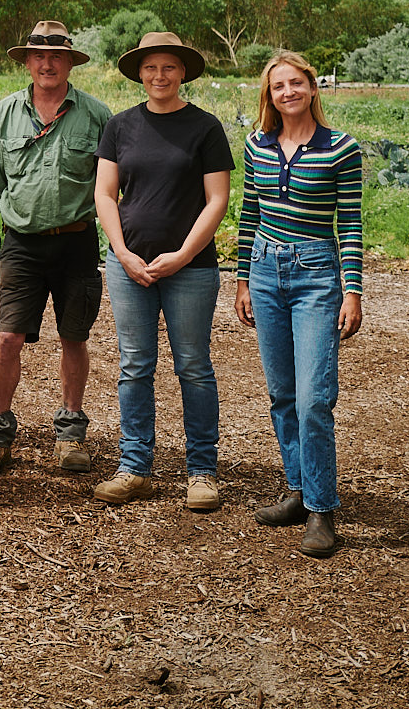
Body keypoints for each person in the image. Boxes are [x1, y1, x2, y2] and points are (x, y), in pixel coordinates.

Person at [92, 32, 234, 510]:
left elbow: (217, 200)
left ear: (183, 73)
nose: (159, 76)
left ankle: (202, 472)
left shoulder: (205, 127)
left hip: (190, 270)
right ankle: (135, 467)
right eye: (151, 68)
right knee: (135, 366)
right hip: (128, 266)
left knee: (193, 367)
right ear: (139, 73)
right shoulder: (119, 126)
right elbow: (105, 195)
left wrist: (184, 255)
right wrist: (122, 251)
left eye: (169, 68)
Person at [233, 51, 363, 558]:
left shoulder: (341, 150)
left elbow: (349, 223)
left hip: (316, 276)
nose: (287, 92)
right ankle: (296, 490)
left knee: (314, 396)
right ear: (269, 95)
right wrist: (242, 280)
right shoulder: (256, 146)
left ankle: (322, 510)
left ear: (312, 87)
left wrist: (352, 290)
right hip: (265, 272)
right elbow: (249, 214)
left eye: (296, 83)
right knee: (282, 393)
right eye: (278, 86)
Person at [0, 21, 111, 479]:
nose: (47, 64)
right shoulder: (4, 115)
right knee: (9, 337)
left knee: (74, 337)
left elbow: (110, 185)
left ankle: (70, 433)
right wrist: (19, 212)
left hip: (77, 243)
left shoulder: (97, 116)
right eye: (38, 56)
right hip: (21, 246)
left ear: (70, 62)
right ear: (27, 62)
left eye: (56, 56)